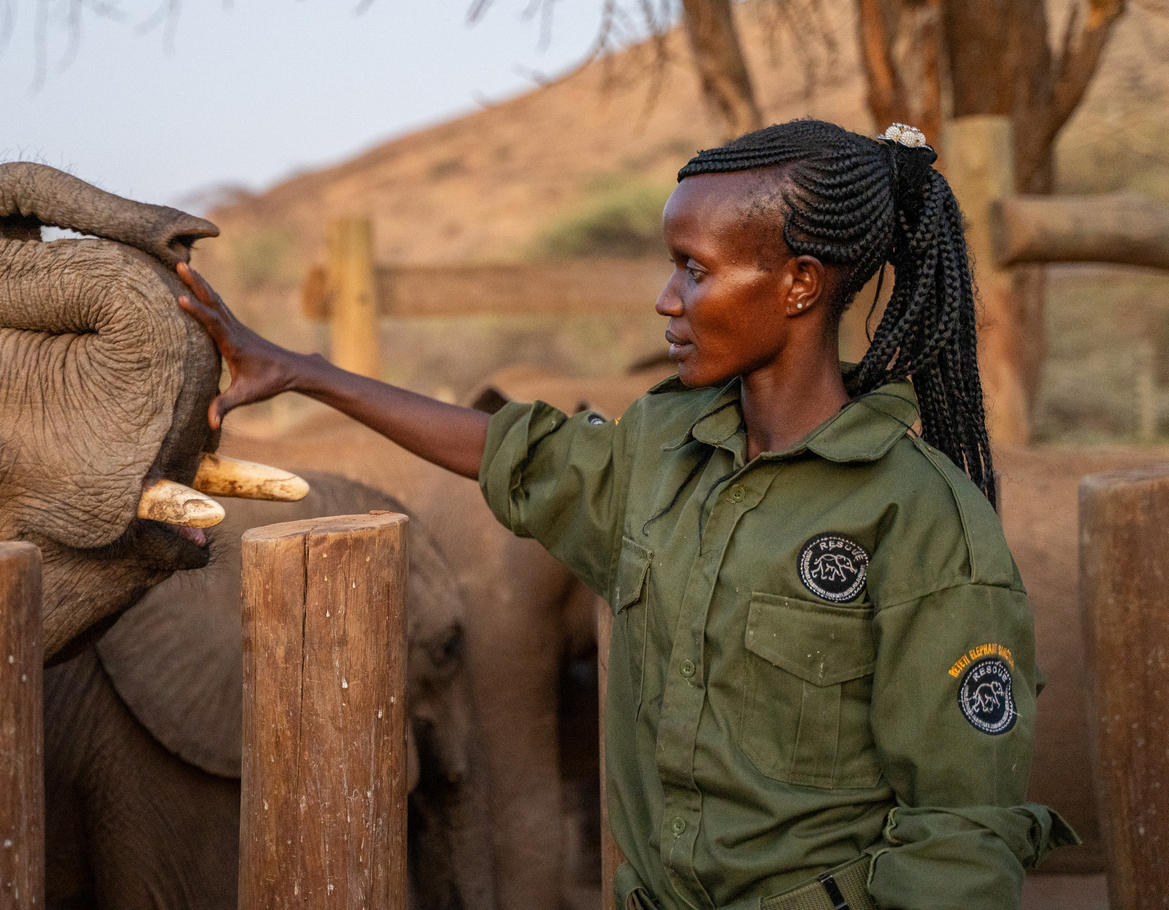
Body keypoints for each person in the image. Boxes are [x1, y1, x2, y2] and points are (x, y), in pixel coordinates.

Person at [175, 119, 1074, 910]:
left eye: (694, 269)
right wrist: (306, 371)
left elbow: (959, 833)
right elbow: (513, 453)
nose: (666, 299)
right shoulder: (662, 448)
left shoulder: (922, 518)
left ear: (799, 283)